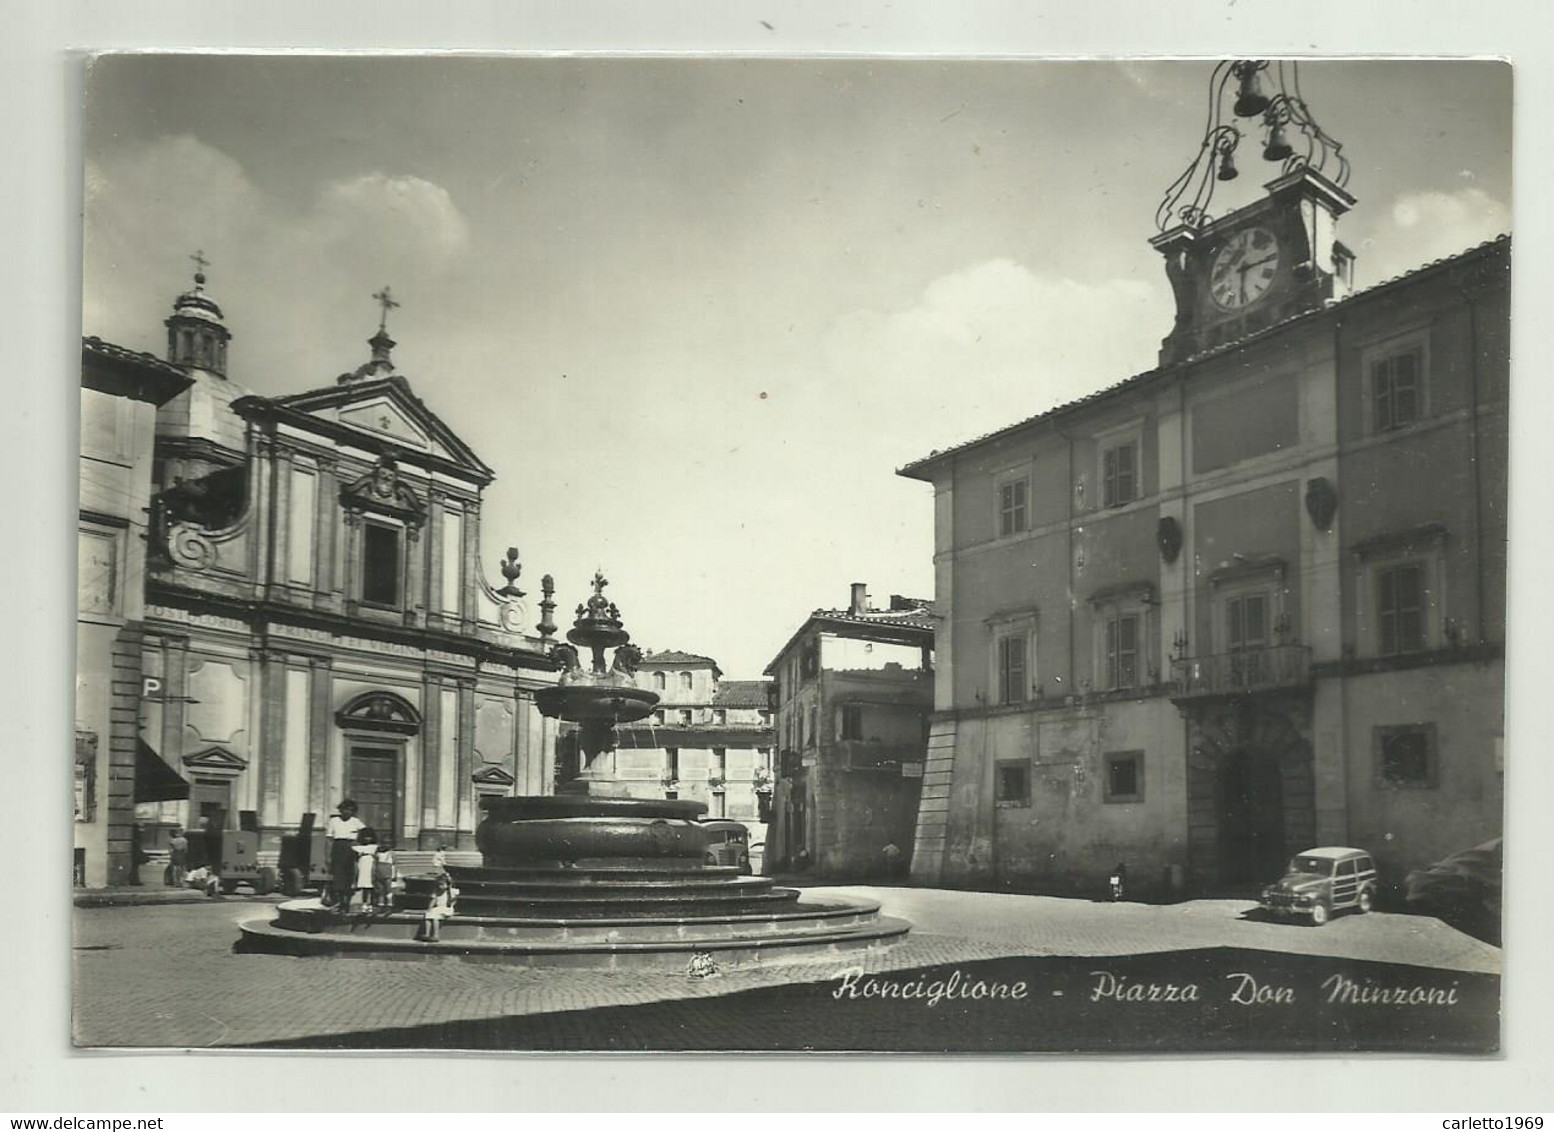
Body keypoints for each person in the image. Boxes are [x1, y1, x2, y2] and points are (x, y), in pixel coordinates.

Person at [324, 800, 364, 909]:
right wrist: (327, 856)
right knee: (338, 876)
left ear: (353, 812)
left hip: (351, 848)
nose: (347, 812)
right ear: (340, 810)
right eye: (344, 809)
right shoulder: (334, 821)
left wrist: (358, 843)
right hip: (338, 848)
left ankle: (347, 901)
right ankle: (341, 901)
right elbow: (329, 839)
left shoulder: (356, 822)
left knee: (350, 876)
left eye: (350, 810)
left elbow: (365, 834)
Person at [418, 873, 458, 942]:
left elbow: (453, 901)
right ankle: (426, 934)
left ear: (447, 885)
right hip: (438, 908)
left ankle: (435, 935)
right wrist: (429, 908)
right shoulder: (436, 892)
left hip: (447, 908)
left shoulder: (451, 891)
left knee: (435, 918)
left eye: (442, 884)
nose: (440, 886)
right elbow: (433, 901)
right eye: (439, 884)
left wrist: (452, 903)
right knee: (428, 915)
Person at [352, 827, 379, 914]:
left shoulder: (375, 847)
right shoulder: (358, 848)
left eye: (369, 837)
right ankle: (364, 904)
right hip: (362, 866)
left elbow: (377, 858)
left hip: (371, 866)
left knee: (372, 887)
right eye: (365, 837)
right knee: (365, 887)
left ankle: (372, 904)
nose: (367, 839)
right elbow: (355, 859)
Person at [373, 838, 397, 912]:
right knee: (380, 890)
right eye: (384, 843)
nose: (386, 845)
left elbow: (394, 864)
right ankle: (381, 904)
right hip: (379, 872)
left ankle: (389, 905)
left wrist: (394, 874)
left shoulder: (391, 853)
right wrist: (374, 872)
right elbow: (375, 863)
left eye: (388, 843)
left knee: (388, 889)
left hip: (387, 872)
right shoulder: (378, 853)